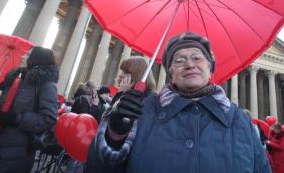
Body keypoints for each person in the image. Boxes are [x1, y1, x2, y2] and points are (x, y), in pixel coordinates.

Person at [87, 32, 270, 172]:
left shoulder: (240, 121)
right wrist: (115, 134)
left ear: (210, 67)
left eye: (197, 58)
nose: (190, 64)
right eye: (179, 60)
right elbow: (97, 168)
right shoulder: (144, 110)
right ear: (170, 73)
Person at [0, 46, 59, 173]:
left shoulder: (47, 86)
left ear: (37, 59)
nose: (22, 56)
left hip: (14, 153)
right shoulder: (14, 79)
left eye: (28, 54)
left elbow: (48, 119)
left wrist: (15, 118)